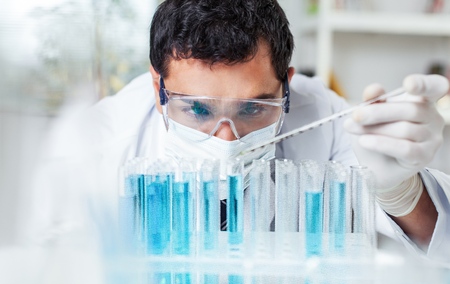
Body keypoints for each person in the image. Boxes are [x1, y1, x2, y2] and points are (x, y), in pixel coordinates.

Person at [28, 0, 450, 263]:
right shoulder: (101, 147)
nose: (226, 140)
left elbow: (433, 249)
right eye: (196, 109)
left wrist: (402, 193)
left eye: (252, 108)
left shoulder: (323, 118)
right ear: (158, 88)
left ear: (287, 83)